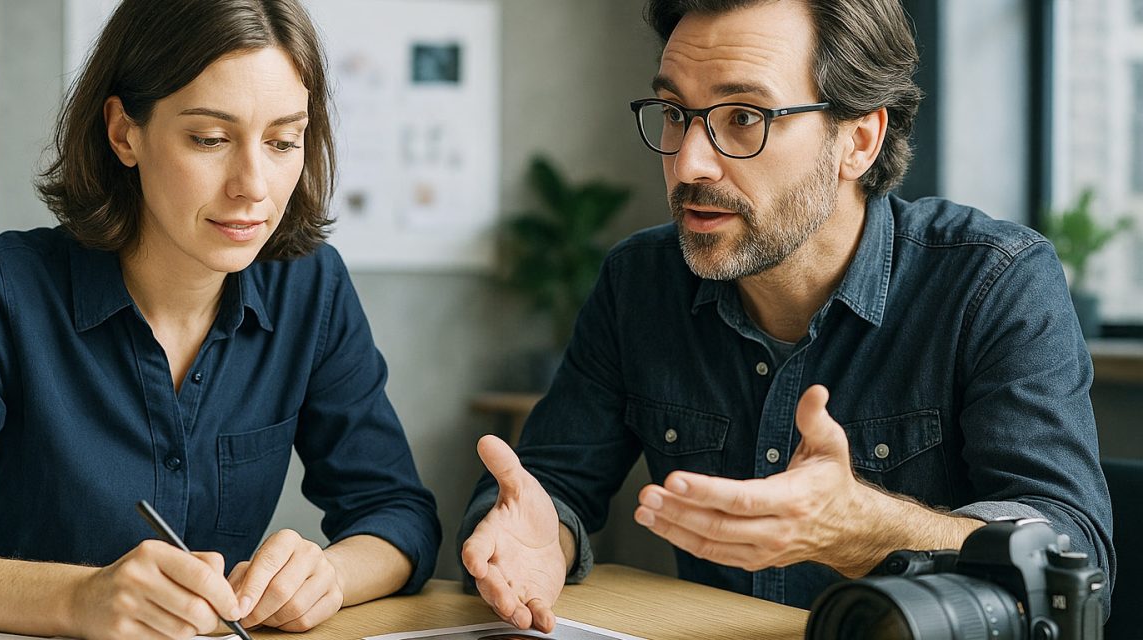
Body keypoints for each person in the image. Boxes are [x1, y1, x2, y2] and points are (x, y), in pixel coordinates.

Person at [458, 0, 1114, 631]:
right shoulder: (640, 283)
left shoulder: (993, 282)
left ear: (859, 140)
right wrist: (531, 536)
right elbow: (548, 487)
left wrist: (867, 530)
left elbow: (1073, 561)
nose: (688, 162)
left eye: (744, 116)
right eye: (676, 113)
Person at [0, 0, 440, 637]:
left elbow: (397, 514)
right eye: (210, 139)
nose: (253, 185)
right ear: (124, 133)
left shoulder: (312, 287)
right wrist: (80, 599)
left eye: (282, 142)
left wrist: (328, 575)